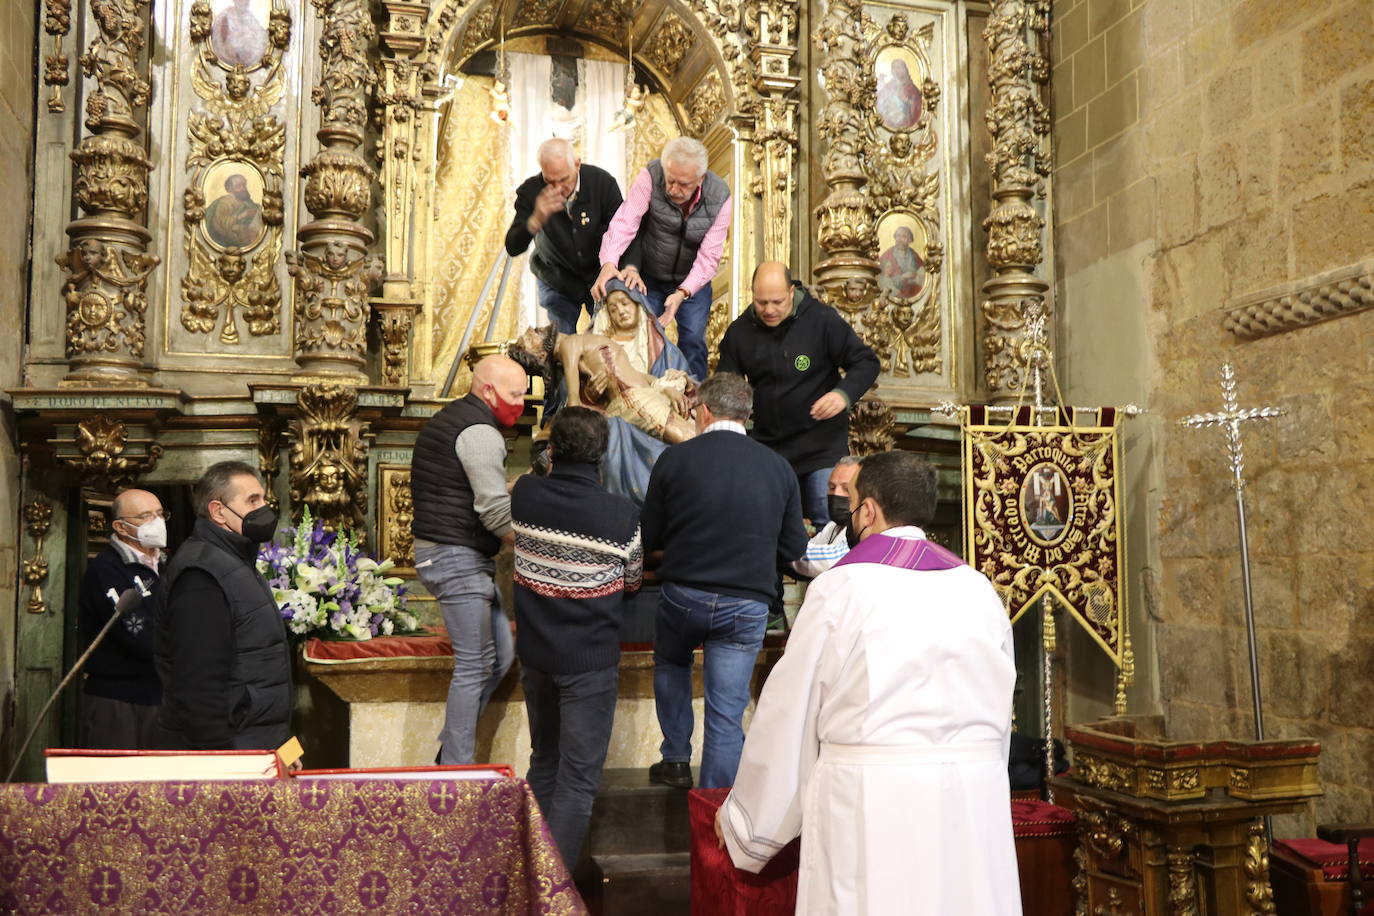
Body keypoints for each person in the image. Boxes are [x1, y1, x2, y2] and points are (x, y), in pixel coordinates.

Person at [716, 451, 1021, 915]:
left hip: (871, 799)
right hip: (970, 796)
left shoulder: (842, 587)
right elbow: (1001, 706)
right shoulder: (978, 588)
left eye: (853, 502)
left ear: (869, 510)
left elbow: (790, 712)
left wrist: (746, 819)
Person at [640, 373, 809, 790]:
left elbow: (650, 536)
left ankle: (676, 758)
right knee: (726, 712)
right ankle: (715, 805)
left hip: (685, 594)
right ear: (747, 416)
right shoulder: (778, 468)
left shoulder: (675, 459)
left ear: (705, 412)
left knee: (672, 660)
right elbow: (793, 546)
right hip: (747, 603)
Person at [510, 407, 642, 868]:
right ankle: (553, 894)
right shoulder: (621, 515)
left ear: (552, 448)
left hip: (537, 656)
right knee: (579, 779)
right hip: (588, 661)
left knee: (544, 761)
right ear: (602, 453)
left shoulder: (525, 494)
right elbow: (632, 579)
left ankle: (531, 875)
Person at [410, 354, 525, 764]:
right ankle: (455, 772)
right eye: (516, 395)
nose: (522, 404)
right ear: (488, 390)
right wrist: (537, 551)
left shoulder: (457, 419)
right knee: (475, 666)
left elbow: (461, 486)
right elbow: (493, 513)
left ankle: (449, 755)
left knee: (500, 658)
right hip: (455, 557)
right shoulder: (479, 431)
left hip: (450, 554)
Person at [716, 261, 880, 528]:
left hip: (820, 447)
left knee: (827, 521)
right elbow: (726, 387)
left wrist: (842, 395)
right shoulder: (739, 333)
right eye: (761, 302)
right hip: (768, 449)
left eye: (777, 301)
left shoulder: (822, 320)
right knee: (761, 524)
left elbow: (866, 362)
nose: (769, 310)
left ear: (792, 292)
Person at [509, 279, 696, 505]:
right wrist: (591, 395)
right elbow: (573, 407)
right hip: (627, 410)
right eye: (613, 308)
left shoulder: (666, 353)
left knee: (686, 431)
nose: (621, 312)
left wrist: (668, 388)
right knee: (685, 438)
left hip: (642, 397)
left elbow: (648, 380)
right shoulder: (580, 343)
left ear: (640, 305)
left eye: (626, 303)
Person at [155, 461, 291, 750]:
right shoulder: (201, 575)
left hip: (256, 743)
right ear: (218, 512)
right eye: (253, 500)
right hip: (230, 750)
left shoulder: (235, 562)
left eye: (263, 498)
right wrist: (223, 758)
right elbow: (199, 686)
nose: (264, 508)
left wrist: (282, 746)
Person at [592, 137, 732, 381]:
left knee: (693, 339)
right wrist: (609, 264)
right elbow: (625, 222)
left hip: (692, 282)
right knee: (645, 338)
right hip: (651, 276)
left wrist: (683, 292)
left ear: (701, 179)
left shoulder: (720, 196)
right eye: (670, 181)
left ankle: (693, 403)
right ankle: (644, 398)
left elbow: (710, 257)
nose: (673, 190)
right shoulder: (651, 175)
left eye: (683, 184)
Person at [77, 489, 167, 749]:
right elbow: (138, 635)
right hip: (118, 701)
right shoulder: (106, 570)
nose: (157, 522)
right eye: (145, 516)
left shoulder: (167, 563)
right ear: (121, 526)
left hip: (162, 697)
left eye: (160, 514)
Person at [505, 138, 624, 334]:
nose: (559, 187)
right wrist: (535, 220)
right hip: (556, 277)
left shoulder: (602, 182)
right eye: (550, 181)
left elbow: (622, 232)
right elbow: (513, 246)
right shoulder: (531, 191)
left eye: (564, 179)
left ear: (577, 164)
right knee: (561, 343)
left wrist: (617, 268)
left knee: (605, 339)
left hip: (598, 273)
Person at [791, 456, 860, 579]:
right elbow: (808, 548)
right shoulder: (833, 526)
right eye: (832, 487)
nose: (836, 494)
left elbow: (831, 561)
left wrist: (783, 544)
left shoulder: (863, 526)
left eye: (846, 488)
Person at [204, 174, 263, 250]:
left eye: (244, 185)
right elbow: (222, 222)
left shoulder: (248, 203)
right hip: (229, 239)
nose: (243, 188)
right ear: (230, 189)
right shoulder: (225, 202)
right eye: (238, 186)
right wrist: (243, 215)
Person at [878, 224, 926, 299]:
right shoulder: (888, 254)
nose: (899, 239)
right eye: (897, 236)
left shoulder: (914, 255)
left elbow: (924, 275)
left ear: (910, 240)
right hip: (893, 295)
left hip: (913, 295)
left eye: (903, 236)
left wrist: (916, 277)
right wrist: (902, 277)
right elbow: (880, 277)